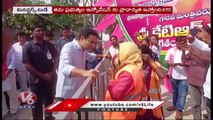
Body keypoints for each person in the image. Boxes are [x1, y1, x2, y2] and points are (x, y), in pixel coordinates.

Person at [55, 27, 109, 99]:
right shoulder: (69, 47)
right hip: (66, 94)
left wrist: (103, 55)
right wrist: (85, 73)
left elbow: (90, 56)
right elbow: (64, 67)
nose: (93, 46)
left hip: (78, 91)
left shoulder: (83, 50)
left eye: (95, 43)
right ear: (82, 38)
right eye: (91, 42)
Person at [103, 42, 147, 120]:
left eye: (120, 52)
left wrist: (112, 78)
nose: (118, 54)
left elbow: (116, 95)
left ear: (126, 53)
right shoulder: (136, 68)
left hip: (119, 116)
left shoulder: (128, 72)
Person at [22, 25, 58, 120]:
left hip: (50, 78)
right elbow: (27, 64)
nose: (41, 32)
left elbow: (56, 58)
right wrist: (42, 75)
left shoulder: (50, 45)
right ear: (32, 33)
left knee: (50, 100)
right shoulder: (28, 46)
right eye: (38, 30)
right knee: (36, 103)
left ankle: (48, 117)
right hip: (36, 80)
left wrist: (53, 72)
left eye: (42, 30)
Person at [181, 27, 211, 120]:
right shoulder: (195, 47)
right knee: (195, 106)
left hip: (202, 81)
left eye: (200, 33)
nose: (198, 36)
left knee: (207, 108)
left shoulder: (206, 49)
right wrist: (184, 49)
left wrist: (192, 50)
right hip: (192, 81)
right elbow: (184, 61)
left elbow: (205, 59)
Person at [136, 45, 166, 120]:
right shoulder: (136, 66)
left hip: (153, 102)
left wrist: (150, 61)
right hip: (140, 103)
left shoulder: (155, 64)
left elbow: (162, 75)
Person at [165, 36, 189, 120]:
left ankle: (179, 110)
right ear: (176, 43)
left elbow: (191, 63)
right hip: (174, 75)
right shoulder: (171, 50)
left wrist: (182, 64)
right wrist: (170, 62)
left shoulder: (188, 51)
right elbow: (166, 60)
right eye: (179, 44)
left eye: (183, 43)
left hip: (185, 77)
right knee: (175, 92)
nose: (181, 45)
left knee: (182, 95)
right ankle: (175, 105)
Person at [2, 47, 19, 119]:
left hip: (9, 75)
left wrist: (5, 74)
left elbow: (13, 62)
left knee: (12, 93)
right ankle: (4, 112)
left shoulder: (10, 48)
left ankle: (13, 111)